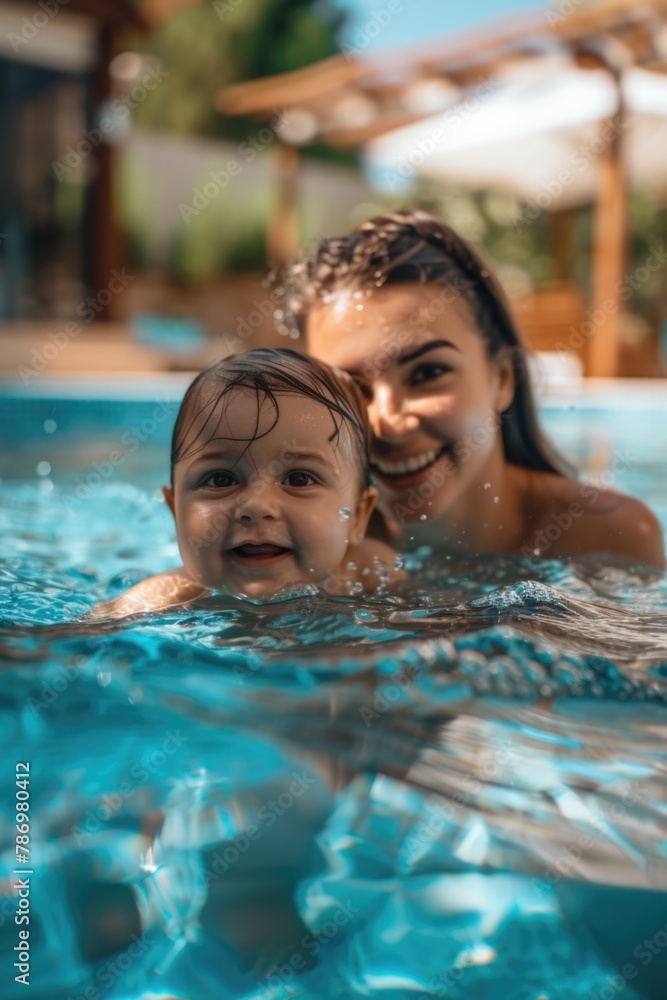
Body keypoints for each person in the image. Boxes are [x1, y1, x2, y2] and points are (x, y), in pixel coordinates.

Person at [288, 209, 665, 569]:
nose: (387, 422)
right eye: (349, 388)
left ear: (502, 378)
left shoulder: (609, 537)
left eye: (428, 372)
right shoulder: (313, 551)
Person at [93, 348, 401, 618]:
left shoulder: (372, 573)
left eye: (298, 478)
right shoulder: (164, 599)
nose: (255, 506)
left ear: (358, 516)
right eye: (221, 479)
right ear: (177, 511)